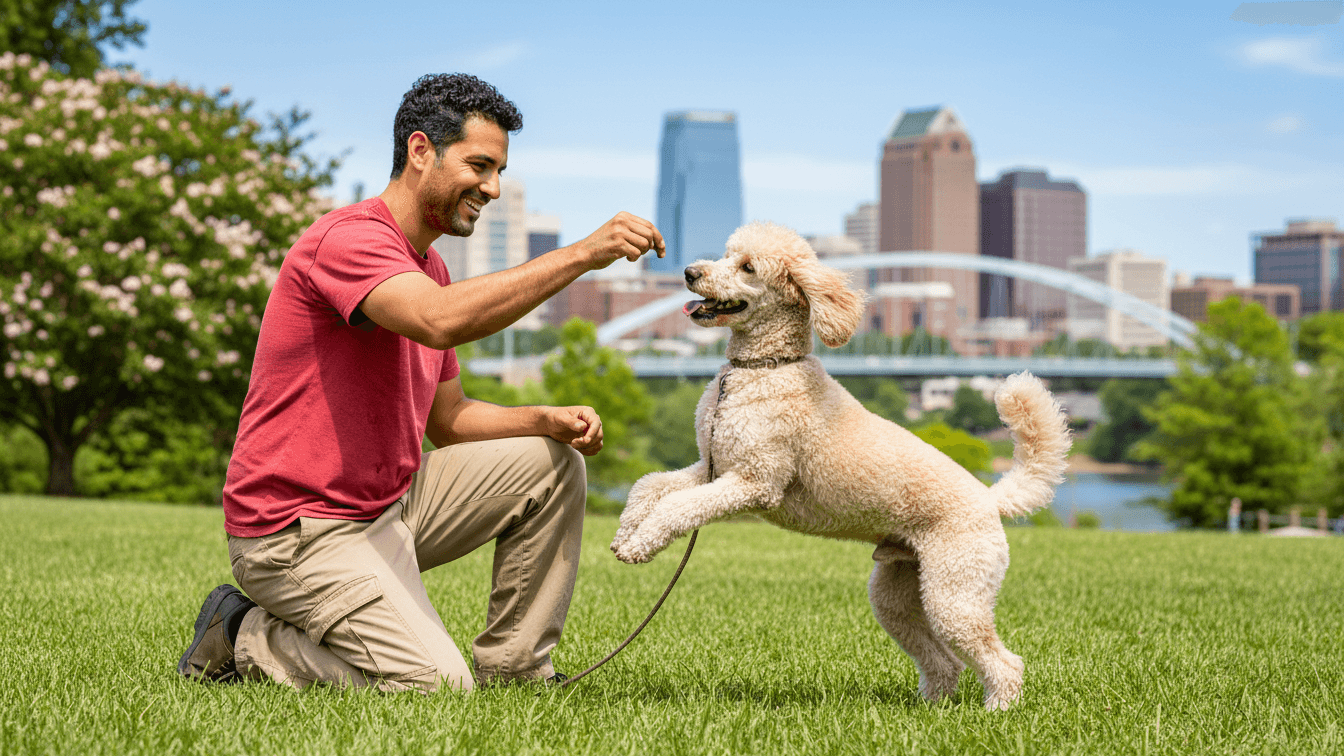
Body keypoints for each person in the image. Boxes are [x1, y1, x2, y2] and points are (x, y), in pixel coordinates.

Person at [176, 73, 664, 692]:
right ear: (420, 150)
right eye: (479, 165)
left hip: (389, 506)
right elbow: (437, 320)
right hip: (296, 533)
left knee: (552, 463)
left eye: (499, 171)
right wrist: (580, 255)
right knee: (434, 686)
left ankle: (516, 669)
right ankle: (245, 635)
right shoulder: (349, 239)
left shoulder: (427, 265)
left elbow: (449, 421)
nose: (491, 187)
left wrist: (544, 420)